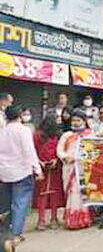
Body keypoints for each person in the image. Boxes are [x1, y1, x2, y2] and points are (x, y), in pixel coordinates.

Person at [0, 105, 43, 245]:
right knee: (20, 203)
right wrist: (38, 170)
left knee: (6, 205)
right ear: (19, 115)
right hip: (22, 172)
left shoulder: (2, 131)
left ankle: (5, 233)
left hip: (4, 173)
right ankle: (16, 234)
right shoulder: (24, 131)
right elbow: (29, 151)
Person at [56, 109, 93, 230]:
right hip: (69, 167)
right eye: (74, 120)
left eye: (78, 120)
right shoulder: (67, 135)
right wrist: (65, 157)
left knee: (81, 193)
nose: (76, 123)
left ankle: (83, 219)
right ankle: (72, 220)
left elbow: (94, 150)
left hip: (83, 168)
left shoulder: (90, 135)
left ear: (84, 121)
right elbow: (60, 150)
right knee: (72, 193)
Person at [33, 115, 64, 231]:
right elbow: (33, 150)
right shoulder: (38, 136)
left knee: (48, 194)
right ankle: (47, 220)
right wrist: (39, 162)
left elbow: (60, 150)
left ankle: (48, 219)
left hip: (51, 167)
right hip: (45, 168)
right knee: (46, 194)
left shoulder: (57, 136)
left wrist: (55, 159)